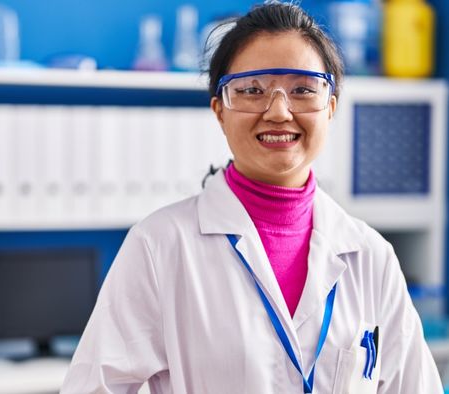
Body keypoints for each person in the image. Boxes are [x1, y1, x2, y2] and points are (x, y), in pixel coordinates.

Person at [60, 2, 443, 393]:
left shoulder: (370, 257)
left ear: (330, 107)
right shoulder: (159, 246)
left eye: (302, 90)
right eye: (251, 90)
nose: (278, 111)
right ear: (219, 111)